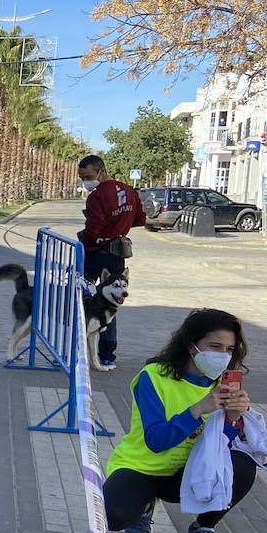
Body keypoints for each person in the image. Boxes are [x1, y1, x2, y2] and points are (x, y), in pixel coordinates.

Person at [104, 309, 259, 533]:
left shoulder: (223, 383)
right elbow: (156, 440)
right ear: (192, 346)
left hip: (190, 472)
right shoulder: (153, 377)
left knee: (242, 463)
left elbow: (220, 445)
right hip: (143, 467)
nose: (223, 356)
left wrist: (233, 419)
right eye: (215, 346)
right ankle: (143, 508)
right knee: (114, 516)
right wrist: (198, 409)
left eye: (229, 349)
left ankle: (202, 529)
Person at [78, 155, 146, 371]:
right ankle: (107, 354)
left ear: (101, 171)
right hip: (117, 253)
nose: (85, 182)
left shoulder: (97, 196)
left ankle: (78, 345)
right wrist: (119, 227)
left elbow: (93, 230)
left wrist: (86, 236)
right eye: (82, 178)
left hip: (94, 253)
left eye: (88, 177)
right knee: (112, 301)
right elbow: (140, 219)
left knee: (81, 297)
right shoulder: (130, 191)